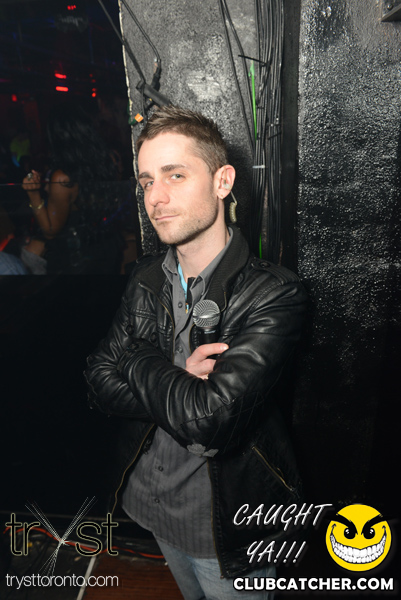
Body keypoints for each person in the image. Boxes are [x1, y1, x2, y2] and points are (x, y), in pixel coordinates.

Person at [84, 105, 308, 599]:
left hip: (229, 525)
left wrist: (138, 360)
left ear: (222, 181)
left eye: (175, 175)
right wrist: (176, 377)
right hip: (151, 503)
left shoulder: (274, 294)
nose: (155, 197)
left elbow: (209, 422)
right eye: (146, 181)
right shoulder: (147, 276)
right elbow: (98, 381)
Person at [22, 103, 123, 274]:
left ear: (56, 136)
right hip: (108, 245)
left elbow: (50, 230)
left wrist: (33, 194)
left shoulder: (63, 178)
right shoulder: (111, 159)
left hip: (79, 256)